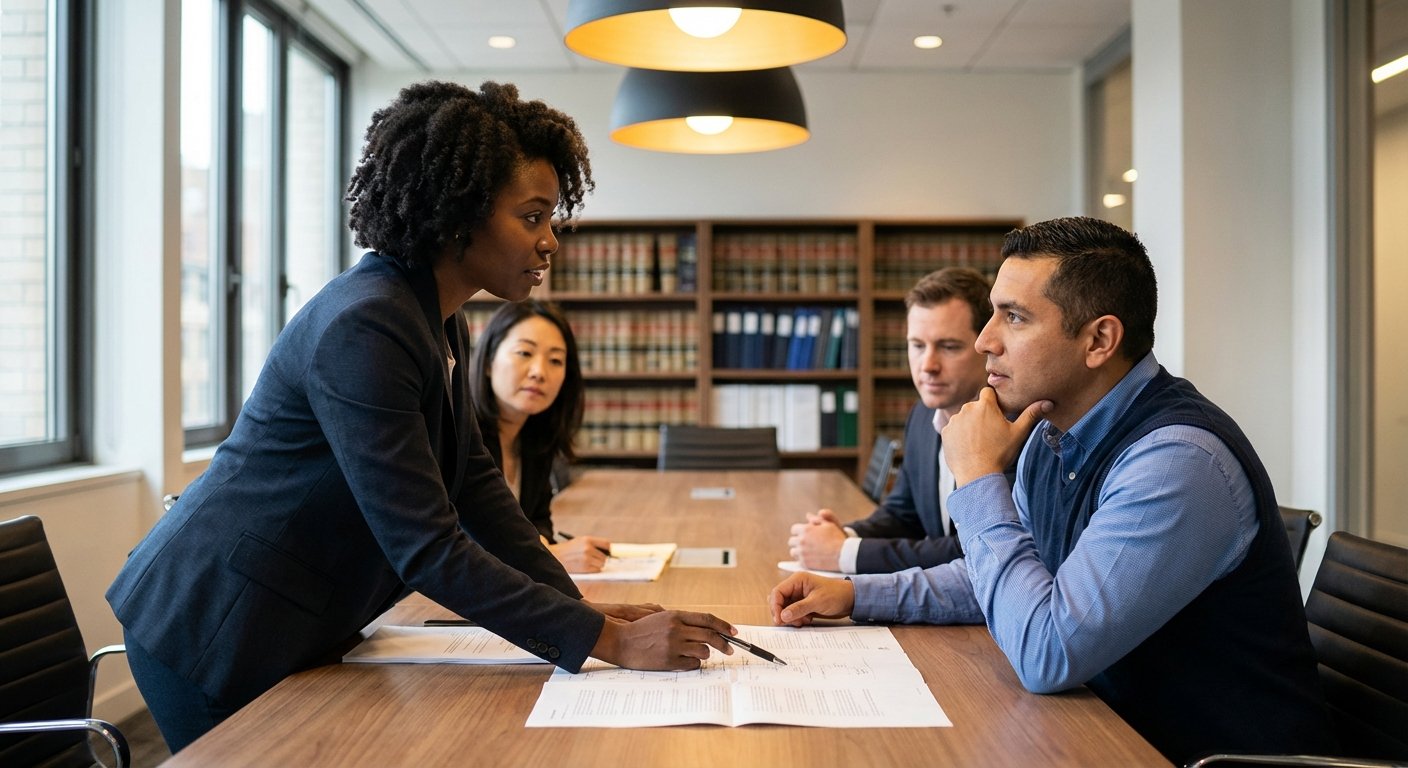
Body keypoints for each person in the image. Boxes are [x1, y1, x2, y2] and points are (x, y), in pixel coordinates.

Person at [106, 80, 735, 752]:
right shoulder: (367, 324)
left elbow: (473, 484)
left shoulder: (436, 316)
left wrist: (574, 611)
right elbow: (427, 545)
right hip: (215, 625)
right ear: (459, 212)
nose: (551, 240)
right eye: (531, 217)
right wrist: (607, 639)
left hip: (295, 614)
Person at [769, 217, 1336, 764]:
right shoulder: (1049, 431)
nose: (986, 342)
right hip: (1101, 728)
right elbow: (999, 575)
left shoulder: (1176, 462)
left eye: (1013, 317)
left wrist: (978, 477)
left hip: (1186, 753)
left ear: (1099, 340)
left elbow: (1047, 653)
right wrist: (858, 594)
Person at [786, 267, 991, 574]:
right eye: (917, 346)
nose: (928, 365)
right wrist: (845, 535)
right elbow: (903, 514)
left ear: (986, 346)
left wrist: (846, 553)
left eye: (948, 347)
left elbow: (978, 549)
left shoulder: (1012, 429)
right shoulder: (922, 417)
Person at [470, 299, 611, 572]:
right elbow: (463, 543)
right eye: (524, 353)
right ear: (488, 361)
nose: (539, 372)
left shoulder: (535, 439)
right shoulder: (461, 435)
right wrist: (547, 558)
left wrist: (544, 548)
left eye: (556, 360)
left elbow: (538, 522)